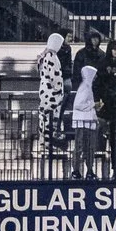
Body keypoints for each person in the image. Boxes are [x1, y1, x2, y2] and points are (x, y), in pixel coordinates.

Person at [33, 32, 70, 170]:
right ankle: (49, 146)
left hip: (45, 91)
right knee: (51, 119)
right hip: (52, 94)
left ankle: (45, 144)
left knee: (45, 118)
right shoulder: (52, 57)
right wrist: (59, 90)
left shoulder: (44, 56)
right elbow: (55, 77)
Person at [68, 65, 102, 179]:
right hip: (83, 122)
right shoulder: (85, 88)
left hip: (87, 121)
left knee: (87, 147)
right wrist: (93, 105)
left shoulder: (86, 87)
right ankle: (79, 170)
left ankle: (86, 170)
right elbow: (78, 105)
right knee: (83, 147)